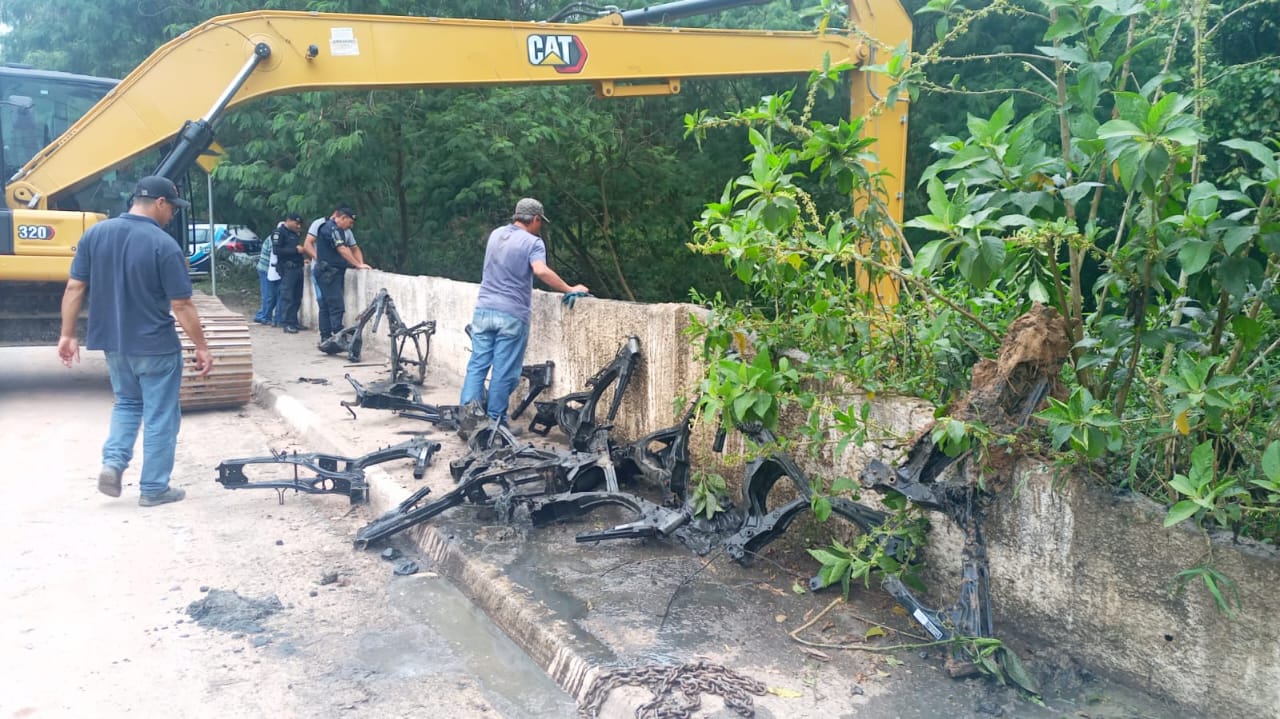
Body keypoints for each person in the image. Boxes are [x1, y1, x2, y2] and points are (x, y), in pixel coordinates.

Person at [57, 175, 214, 507]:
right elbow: (182, 304)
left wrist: (67, 334)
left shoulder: (95, 234)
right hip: (155, 345)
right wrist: (201, 346)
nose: (172, 215)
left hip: (114, 344)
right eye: (171, 207)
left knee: (127, 404)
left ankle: (113, 464)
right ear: (159, 202)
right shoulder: (164, 245)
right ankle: (154, 488)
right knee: (160, 415)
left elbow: (74, 287)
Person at [460, 197, 587, 422]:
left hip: (483, 311)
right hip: (511, 315)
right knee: (503, 372)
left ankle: (467, 417)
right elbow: (540, 270)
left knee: (477, 365)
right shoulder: (533, 242)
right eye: (541, 223)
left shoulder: (496, 234)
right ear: (535, 219)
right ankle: (496, 423)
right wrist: (569, 288)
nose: (541, 227)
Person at [304, 206, 371, 344]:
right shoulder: (333, 229)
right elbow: (342, 249)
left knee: (326, 305)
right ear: (342, 218)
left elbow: (352, 248)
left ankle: (326, 337)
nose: (351, 226)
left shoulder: (330, 228)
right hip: (329, 273)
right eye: (350, 222)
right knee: (336, 305)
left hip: (327, 272)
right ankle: (338, 334)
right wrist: (358, 265)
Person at [305, 205, 371, 304]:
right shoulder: (321, 224)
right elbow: (307, 244)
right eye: (350, 222)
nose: (351, 225)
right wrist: (321, 260)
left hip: (337, 271)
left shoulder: (346, 230)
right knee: (323, 301)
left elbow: (354, 248)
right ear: (340, 215)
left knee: (334, 303)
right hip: (322, 269)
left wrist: (360, 264)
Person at [270, 212, 307, 333]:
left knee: (297, 296)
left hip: (297, 267)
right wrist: (295, 250)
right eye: (296, 223)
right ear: (288, 221)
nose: (298, 226)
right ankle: (286, 323)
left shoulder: (293, 234)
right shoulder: (279, 233)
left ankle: (293, 321)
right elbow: (277, 250)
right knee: (288, 296)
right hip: (287, 268)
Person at [252, 227, 280, 325]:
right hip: (265, 269)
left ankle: (261, 315)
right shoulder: (275, 238)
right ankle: (264, 317)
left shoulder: (276, 236)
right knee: (268, 295)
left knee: (273, 295)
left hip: (271, 270)